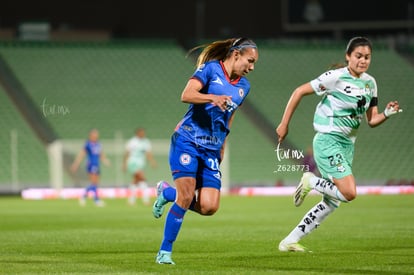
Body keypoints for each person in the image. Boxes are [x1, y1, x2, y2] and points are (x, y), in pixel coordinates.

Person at [275, 36, 402, 252]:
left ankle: (289, 241)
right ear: (348, 56)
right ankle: (310, 181)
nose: (363, 60)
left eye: (367, 57)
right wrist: (284, 123)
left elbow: (372, 120)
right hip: (328, 140)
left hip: (347, 145)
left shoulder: (370, 83)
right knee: (349, 193)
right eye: (358, 56)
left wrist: (387, 113)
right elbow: (299, 91)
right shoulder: (335, 78)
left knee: (333, 201)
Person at [152, 37, 259, 265]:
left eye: (254, 64)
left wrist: (223, 144)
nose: (251, 67)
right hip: (188, 139)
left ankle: (168, 193)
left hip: (212, 147)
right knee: (188, 195)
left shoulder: (244, 87)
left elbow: (229, 117)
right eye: (250, 61)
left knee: (210, 207)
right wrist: (212, 96)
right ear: (236, 54)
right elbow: (186, 94)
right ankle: (164, 252)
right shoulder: (210, 69)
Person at [71, 128, 110, 207]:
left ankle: (84, 197)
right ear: (90, 135)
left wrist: (105, 160)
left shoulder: (98, 144)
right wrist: (76, 164)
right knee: (94, 182)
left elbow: (101, 154)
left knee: (95, 183)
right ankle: (96, 200)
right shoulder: (88, 144)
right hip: (91, 164)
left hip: (97, 164)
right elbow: (82, 154)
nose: (96, 136)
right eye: (94, 134)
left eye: (97, 134)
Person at [123, 127, 157, 205]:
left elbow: (148, 153)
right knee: (142, 178)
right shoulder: (132, 142)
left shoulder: (146, 142)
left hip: (140, 164)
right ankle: (146, 200)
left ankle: (131, 200)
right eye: (141, 132)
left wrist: (152, 162)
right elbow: (127, 153)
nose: (143, 134)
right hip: (132, 163)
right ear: (137, 133)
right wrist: (124, 164)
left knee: (136, 181)